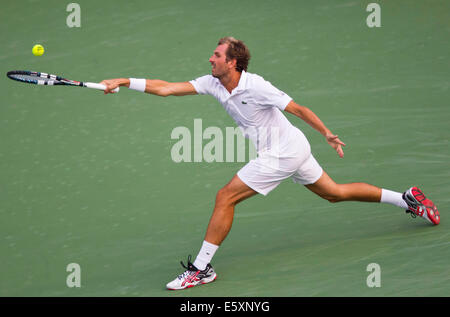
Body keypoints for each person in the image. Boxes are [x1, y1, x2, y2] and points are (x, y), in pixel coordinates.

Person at [100, 36, 440, 290]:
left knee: (225, 196)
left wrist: (327, 133)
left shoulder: (257, 86)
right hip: (290, 148)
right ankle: (406, 198)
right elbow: (167, 89)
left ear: (233, 62)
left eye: (217, 55)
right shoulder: (213, 83)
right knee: (334, 193)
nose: (210, 58)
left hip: (284, 152)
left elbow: (298, 109)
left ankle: (202, 269)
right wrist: (126, 81)